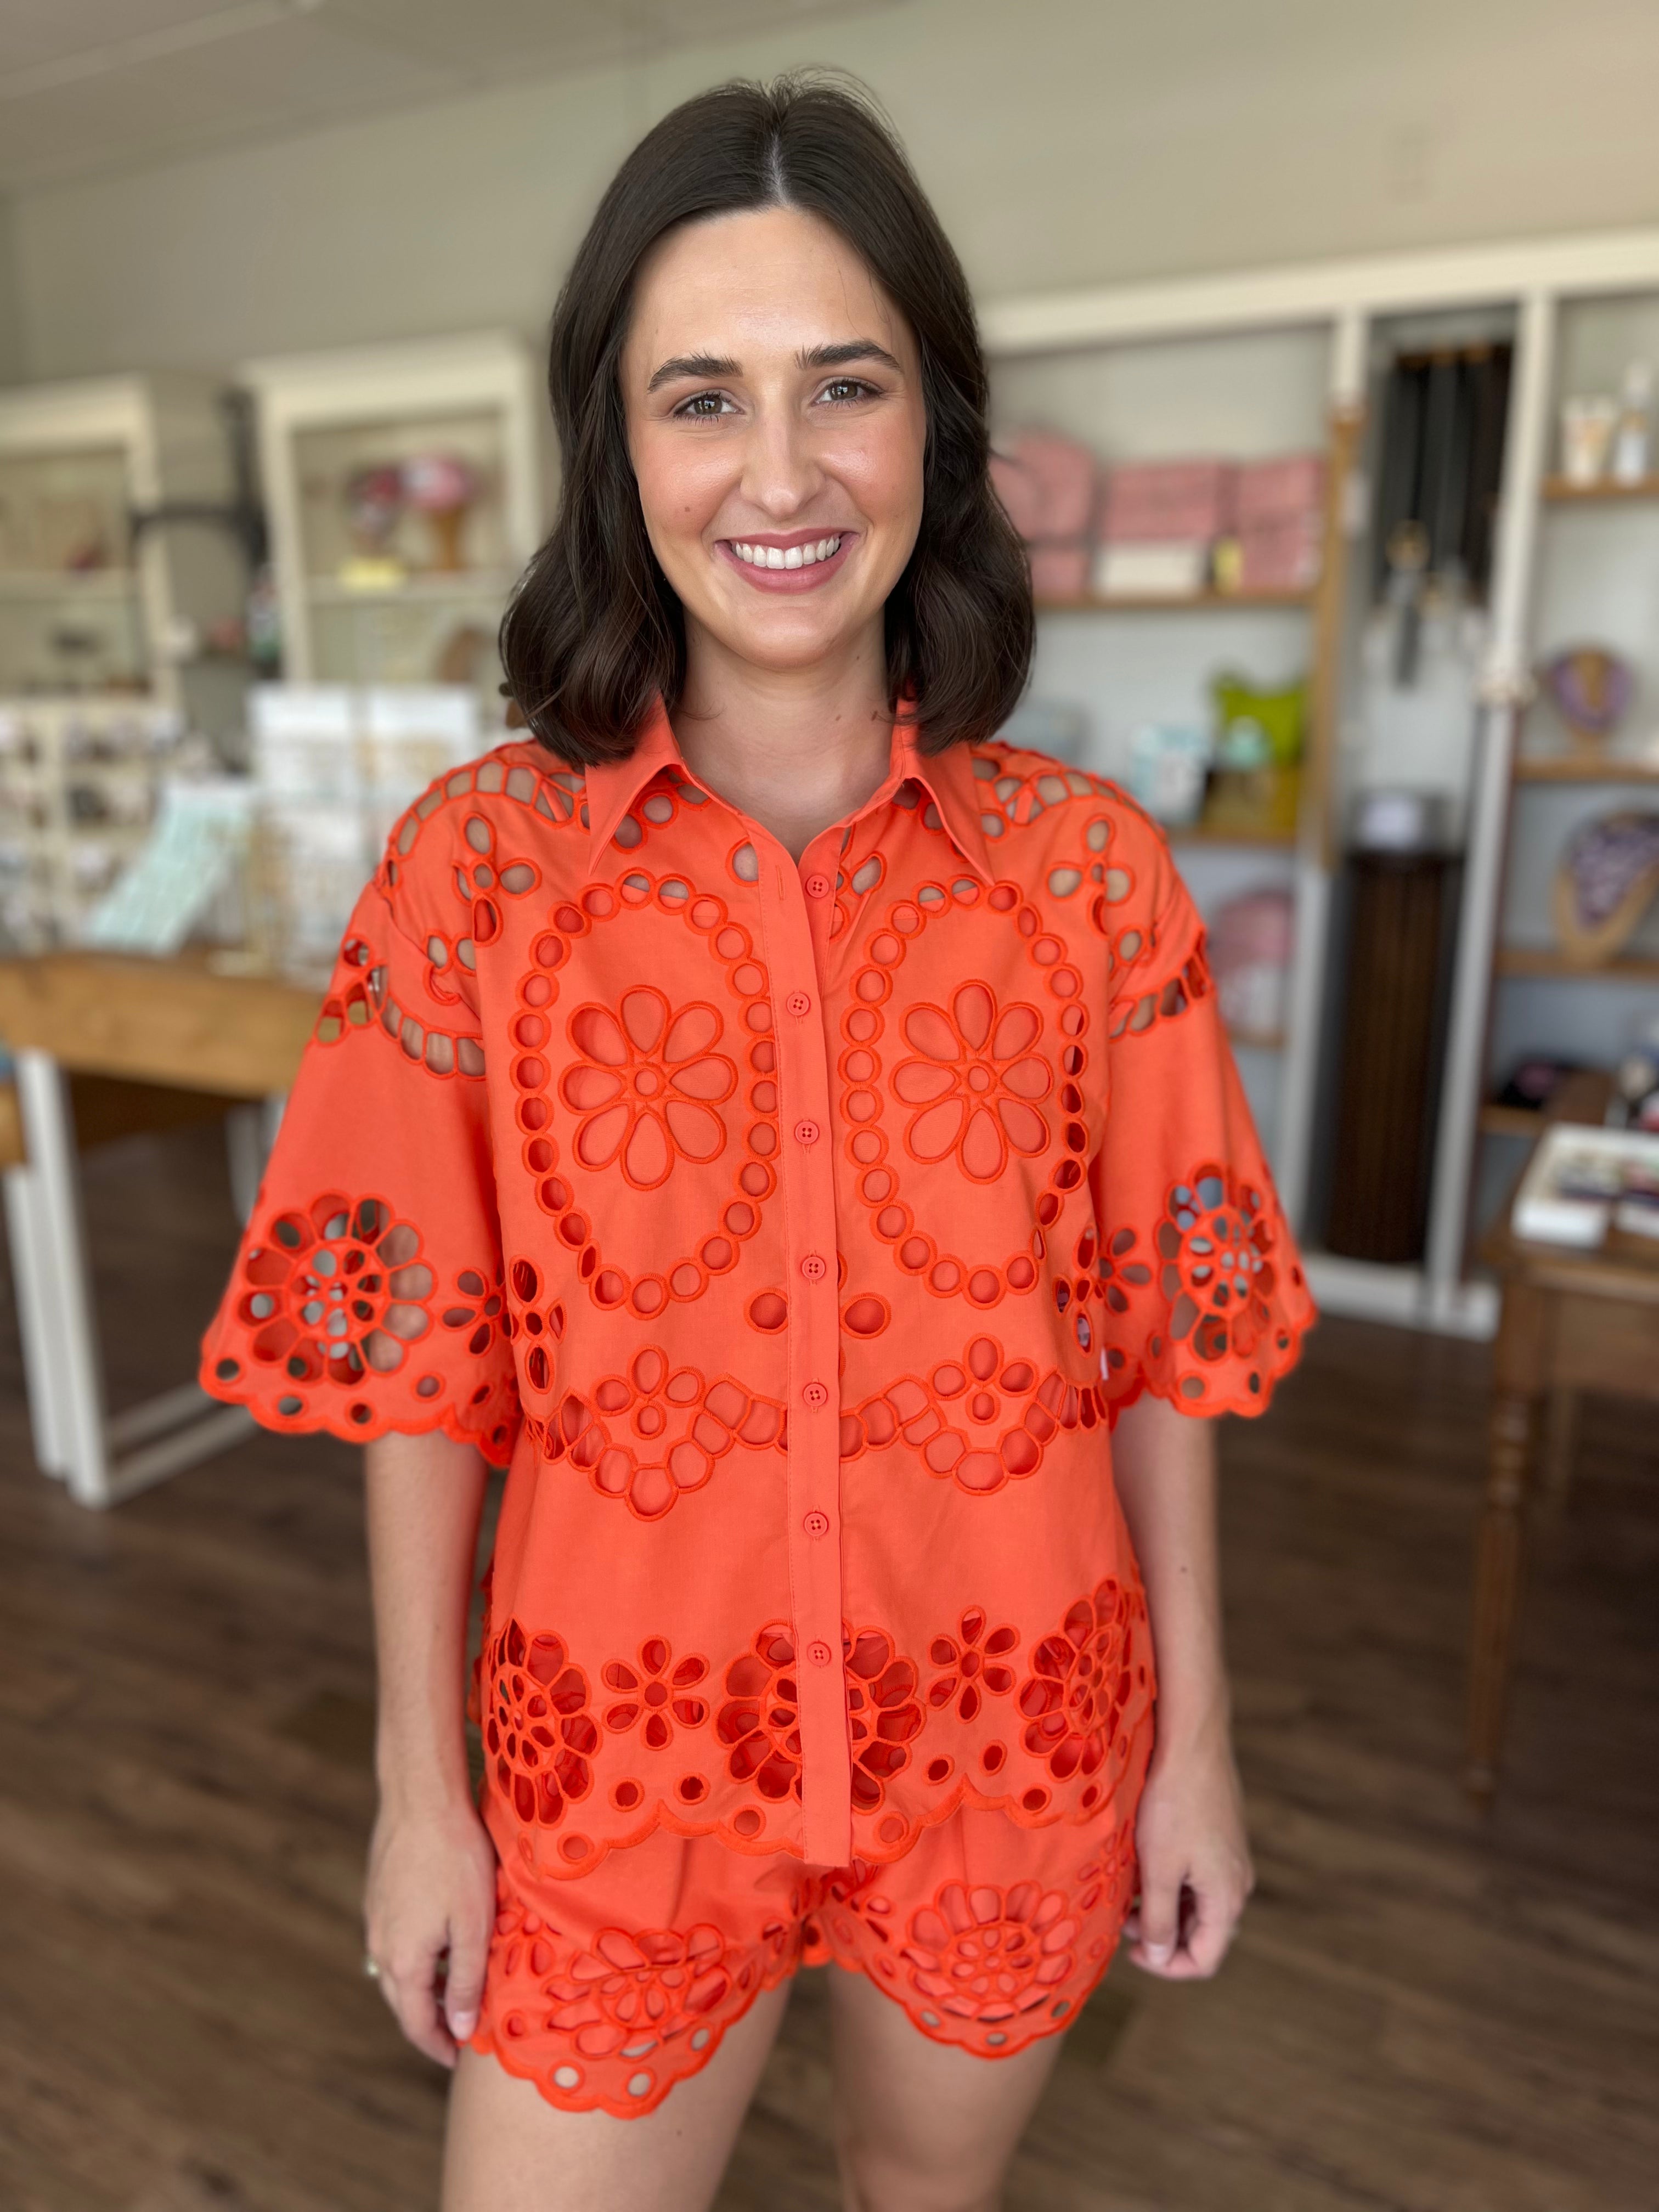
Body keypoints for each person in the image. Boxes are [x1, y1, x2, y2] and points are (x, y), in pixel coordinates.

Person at [201, 72, 1313, 2212]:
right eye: (702, 395)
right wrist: (415, 1795)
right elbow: (424, 1377)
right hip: (620, 1769)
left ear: (938, 429)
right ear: (618, 449)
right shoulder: (475, 881)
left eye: (848, 386)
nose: (782, 472)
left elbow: (1161, 1351)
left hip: (1014, 1744)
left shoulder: (1088, 880)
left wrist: (1201, 1750)